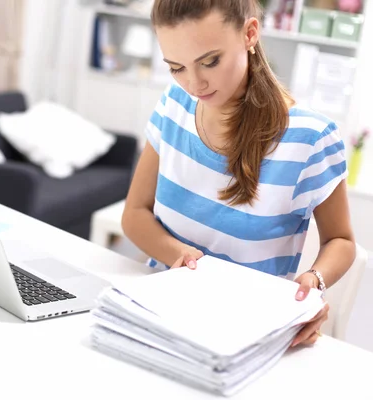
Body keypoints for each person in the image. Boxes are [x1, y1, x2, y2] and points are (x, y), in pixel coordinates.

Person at [121, 0, 356, 348]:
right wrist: (179, 257)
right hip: (160, 319)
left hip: (247, 334)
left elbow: (342, 241)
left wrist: (314, 280)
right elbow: (135, 215)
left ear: (249, 34)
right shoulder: (174, 105)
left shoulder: (309, 138)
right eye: (176, 67)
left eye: (210, 62)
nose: (194, 83)